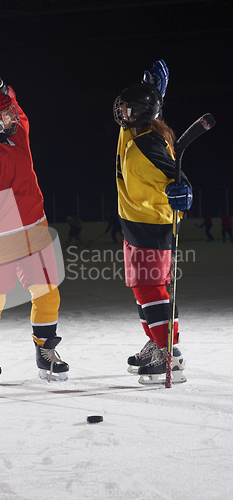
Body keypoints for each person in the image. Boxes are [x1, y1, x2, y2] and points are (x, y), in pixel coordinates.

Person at [0, 67, 69, 384]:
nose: (11, 117)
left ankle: (46, 349)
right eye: (3, 114)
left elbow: (18, 110)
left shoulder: (18, 137)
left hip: (35, 229)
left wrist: (5, 89)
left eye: (8, 113)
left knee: (48, 293)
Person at [113, 59, 192, 384]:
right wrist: (156, 93)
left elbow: (176, 176)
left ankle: (168, 351)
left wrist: (183, 190)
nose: (122, 114)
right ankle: (157, 341)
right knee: (141, 290)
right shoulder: (131, 132)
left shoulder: (148, 142)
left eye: (129, 110)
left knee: (151, 289)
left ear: (143, 115)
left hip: (152, 228)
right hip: (134, 226)